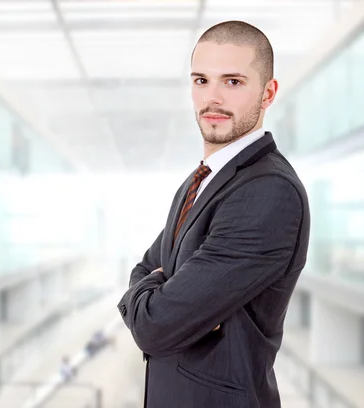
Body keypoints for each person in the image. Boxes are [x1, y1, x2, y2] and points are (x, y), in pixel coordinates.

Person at [116, 20, 310, 408]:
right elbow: (145, 268)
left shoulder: (268, 191)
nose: (213, 98)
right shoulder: (199, 181)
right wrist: (156, 288)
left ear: (268, 93)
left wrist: (155, 292)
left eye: (233, 82)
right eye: (201, 80)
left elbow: (154, 326)